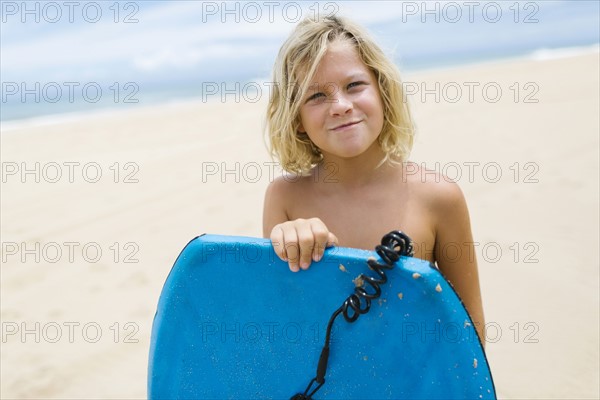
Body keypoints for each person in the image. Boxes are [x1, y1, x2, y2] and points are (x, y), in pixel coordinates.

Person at [262, 15, 485, 345]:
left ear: (383, 91)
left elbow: (472, 334)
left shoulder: (439, 197)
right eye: (316, 96)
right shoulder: (284, 198)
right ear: (297, 119)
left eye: (354, 86)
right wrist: (285, 241)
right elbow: (281, 320)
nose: (340, 106)